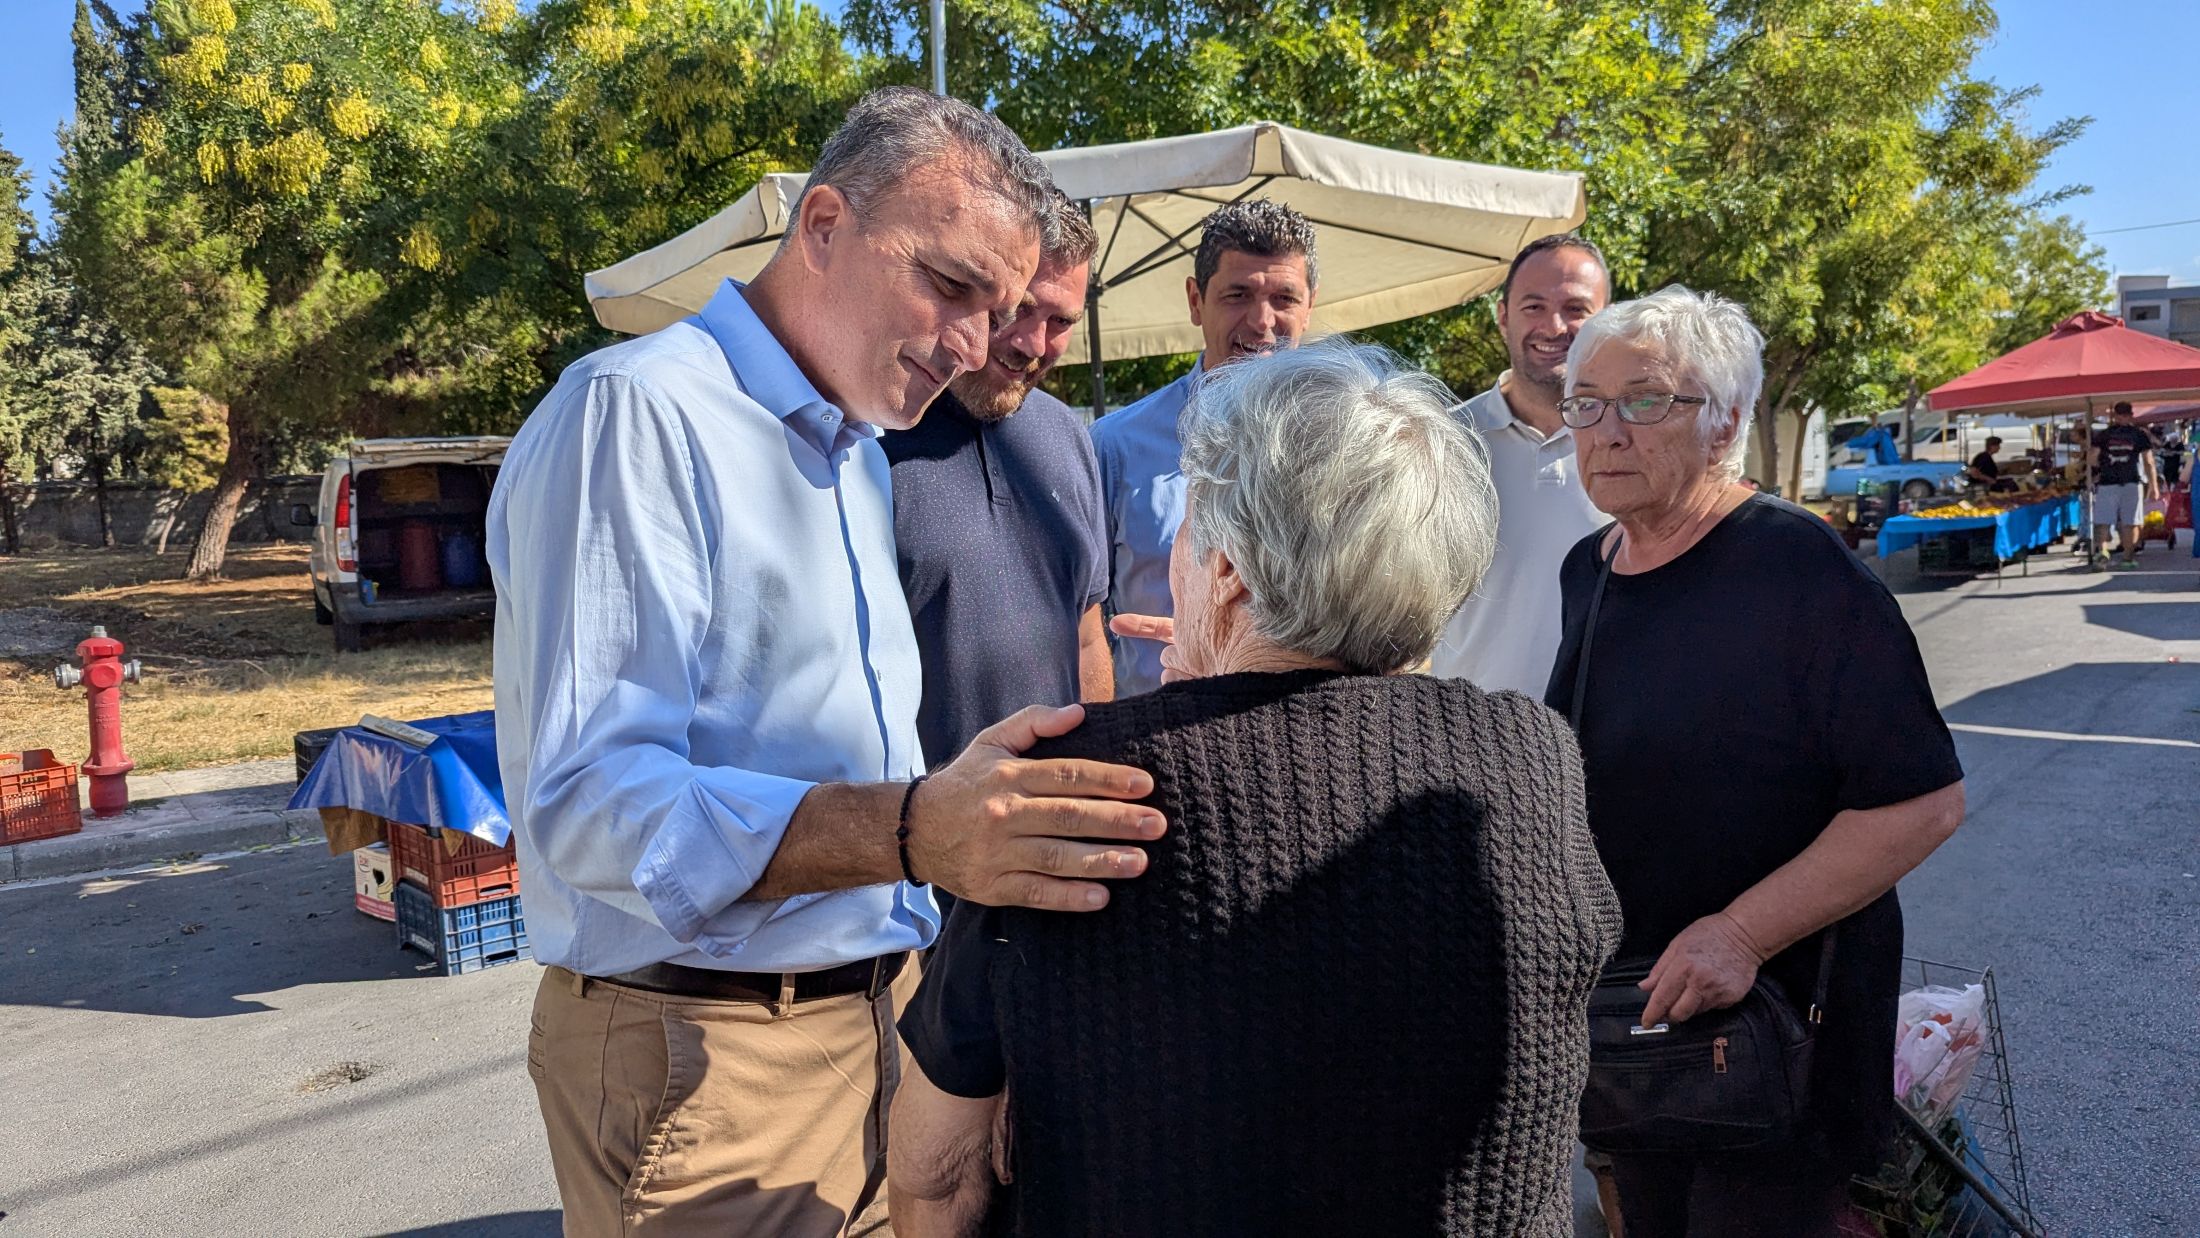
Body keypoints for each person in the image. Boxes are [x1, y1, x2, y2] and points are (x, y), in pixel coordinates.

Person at [488, 89, 1168, 1238]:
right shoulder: (640, 413)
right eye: (949, 285)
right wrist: (911, 827)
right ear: (821, 225)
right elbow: (587, 807)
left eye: (995, 308)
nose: (968, 343)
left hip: (869, 1019)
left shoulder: (853, 441)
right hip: (709, 1053)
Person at [888, 341, 1623, 1238]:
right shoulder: (1533, 759)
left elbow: (938, 1177)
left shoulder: (1075, 788)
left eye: (1191, 536)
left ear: (1228, 570)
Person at [1543, 286, 1966, 1236]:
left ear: (1727, 421)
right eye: (1586, 402)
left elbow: (1922, 801)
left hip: (1777, 1041)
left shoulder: (1800, 570)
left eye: (1646, 400)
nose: (1607, 431)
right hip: (1640, 1027)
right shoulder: (1592, 567)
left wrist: (1740, 933)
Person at [885, 191, 1111, 788]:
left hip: (1059, 829)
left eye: (1061, 321)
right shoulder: (871, 436)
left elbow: (1087, 636)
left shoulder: (1069, 436)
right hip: (917, 848)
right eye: (1020, 311)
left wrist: (1100, 761)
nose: (1034, 344)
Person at [1092, 198, 1318, 697]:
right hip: (1150, 742)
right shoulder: (1114, 446)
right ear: (1196, 301)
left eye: (1284, 298)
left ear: (1310, 305)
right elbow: (1077, 618)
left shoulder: (1347, 444)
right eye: (1237, 295)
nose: (1262, 322)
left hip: (1302, 736)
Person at [1428, 233, 1612, 694]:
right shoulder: (1443, 441)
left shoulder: (1630, 444)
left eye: (1576, 309)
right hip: (1469, 738)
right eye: (1534, 306)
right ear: (1503, 318)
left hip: (1602, 741)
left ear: (1605, 321)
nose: (1554, 326)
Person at [2091, 401, 2162, 569]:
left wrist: (2100, 470)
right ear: (2131, 415)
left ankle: (2102, 551)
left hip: (2107, 482)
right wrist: (2153, 486)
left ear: (2115, 416)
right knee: (2130, 522)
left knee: (2103, 520)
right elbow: (2149, 462)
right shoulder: (2139, 435)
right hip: (2131, 482)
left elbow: (2092, 457)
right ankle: (2128, 558)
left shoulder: (2104, 435)